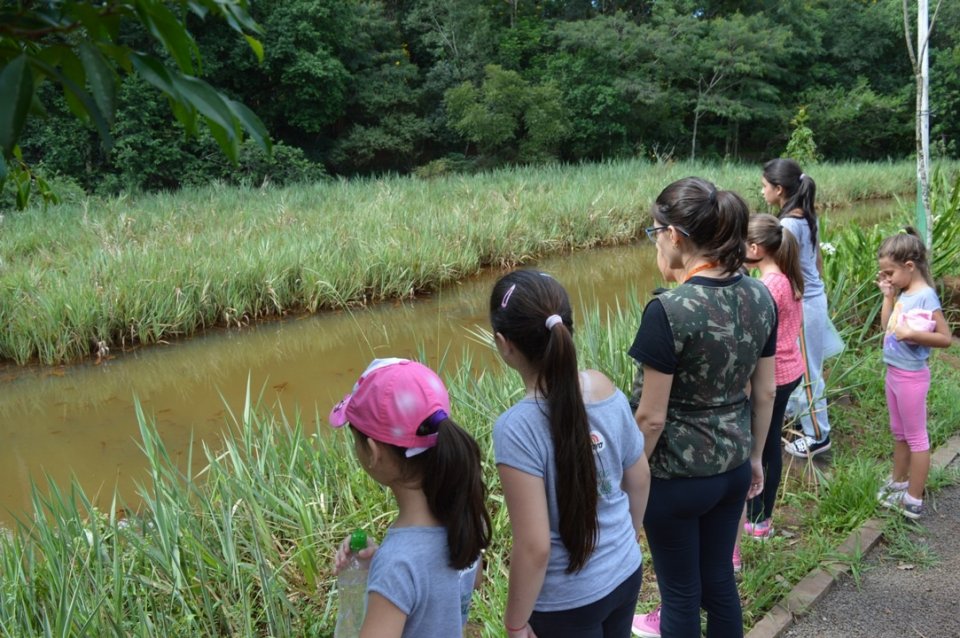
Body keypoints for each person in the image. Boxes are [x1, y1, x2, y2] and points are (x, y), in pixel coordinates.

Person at [629, 177, 776, 638]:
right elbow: (766, 391)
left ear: (674, 235)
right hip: (733, 466)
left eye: (656, 232)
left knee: (680, 594)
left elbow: (651, 417)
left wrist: (631, 476)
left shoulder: (668, 310)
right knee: (719, 582)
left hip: (675, 479)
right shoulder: (759, 295)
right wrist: (755, 458)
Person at [490, 269, 650, 638]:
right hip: (625, 571)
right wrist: (628, 538)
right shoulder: (603, 385)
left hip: (567, 603)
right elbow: (639, 476)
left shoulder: (516, 428)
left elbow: (534, 546)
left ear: (504, 343)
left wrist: (514, 623)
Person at [329, 358, 491, 637]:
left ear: (373, 451)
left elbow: (411, 568)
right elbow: (464, 581)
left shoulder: (397, 563)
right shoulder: (463, 514)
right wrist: (381, 564)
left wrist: (388, 572)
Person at [762, 158, 837, 458]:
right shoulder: (806, 216)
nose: (762, 191)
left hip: (803, 305)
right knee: (807, 365)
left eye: (764, 186)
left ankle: (818, 436)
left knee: (807, 371)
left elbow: (784, 270)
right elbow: (816, 263)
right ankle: (801, 417)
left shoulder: (787, 225)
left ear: (779, 189)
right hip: (813, 300)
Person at [875, 228, 952, 519]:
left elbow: (945, 338)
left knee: (916, 437)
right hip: (894, 373)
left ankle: (913, 498)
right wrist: (888, 296)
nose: (887, 277)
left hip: (912, 377)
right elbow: (888, 327)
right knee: (899, 432)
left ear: (909, 266)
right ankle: (898, 481)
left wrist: (913, 335)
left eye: (889, 272)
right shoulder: (904, 293)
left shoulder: (926, 296)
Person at [742, 214, 807, 538]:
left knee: (763, 447)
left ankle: (758, 518)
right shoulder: (786, 276)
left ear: (755, 247)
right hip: (790, 368)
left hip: (774, 376)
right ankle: (760, 516)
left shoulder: (767, 286)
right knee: (769, 445)